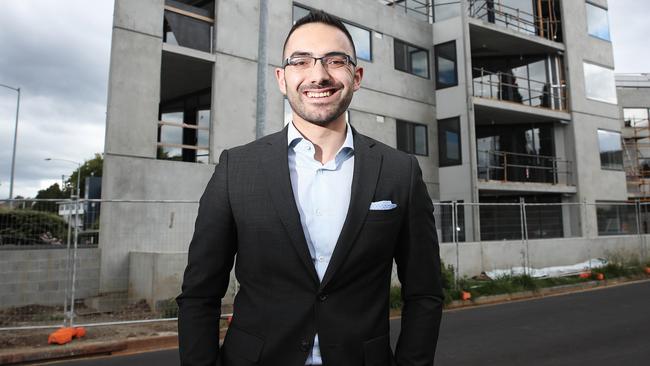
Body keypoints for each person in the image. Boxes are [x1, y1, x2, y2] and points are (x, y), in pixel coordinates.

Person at [177, 10, 443, 366]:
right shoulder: (235, 168)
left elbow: (424, 293)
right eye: (300, 61)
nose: (318, 75)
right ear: (282, 78)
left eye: (335, 61)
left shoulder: (401, 172)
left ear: (357, 76)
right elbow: (199, 295)